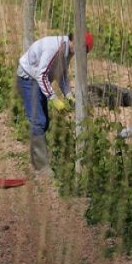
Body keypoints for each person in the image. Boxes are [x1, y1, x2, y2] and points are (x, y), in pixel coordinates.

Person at [16, 31, 93, 175]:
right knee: (38, 121)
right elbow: (41, 74)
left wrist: (68, 95)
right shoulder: (55, 48)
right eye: (82, 51)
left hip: (37, 80)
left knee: (44, 123)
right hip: (28, 79)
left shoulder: (67, 51)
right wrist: (53, 99)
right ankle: (41, 167)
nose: (80, 55)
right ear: (75, 42)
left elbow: (61, 74)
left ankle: (35, 160)